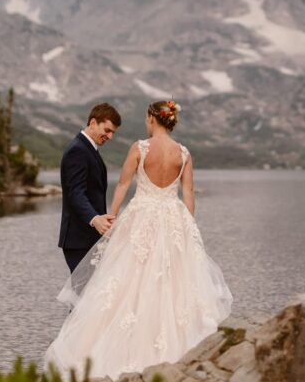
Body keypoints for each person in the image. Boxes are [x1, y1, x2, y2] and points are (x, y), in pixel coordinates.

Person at [45, 100, 232, 379]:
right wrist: (186, 228)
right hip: (172, 221)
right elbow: (189, 193)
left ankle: (94, 352)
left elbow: (122, 185)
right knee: (171, 285)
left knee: (125, 285)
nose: (110, 136)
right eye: (107, 130)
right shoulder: (183, 153)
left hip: (142, 219)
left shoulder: (140, 148)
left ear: (151, 118)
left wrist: (112, 213)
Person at [58, 103, 121, 273]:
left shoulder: (89, 149)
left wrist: (102, 217)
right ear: (93, 123)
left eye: (113, 132)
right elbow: (75, 193)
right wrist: (95, 218)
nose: (110, 136)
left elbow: (91, 192)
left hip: (88, 237)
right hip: (78, 240)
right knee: (84, 296)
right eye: (107, 130)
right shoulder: (77, 150)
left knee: (89, 296)